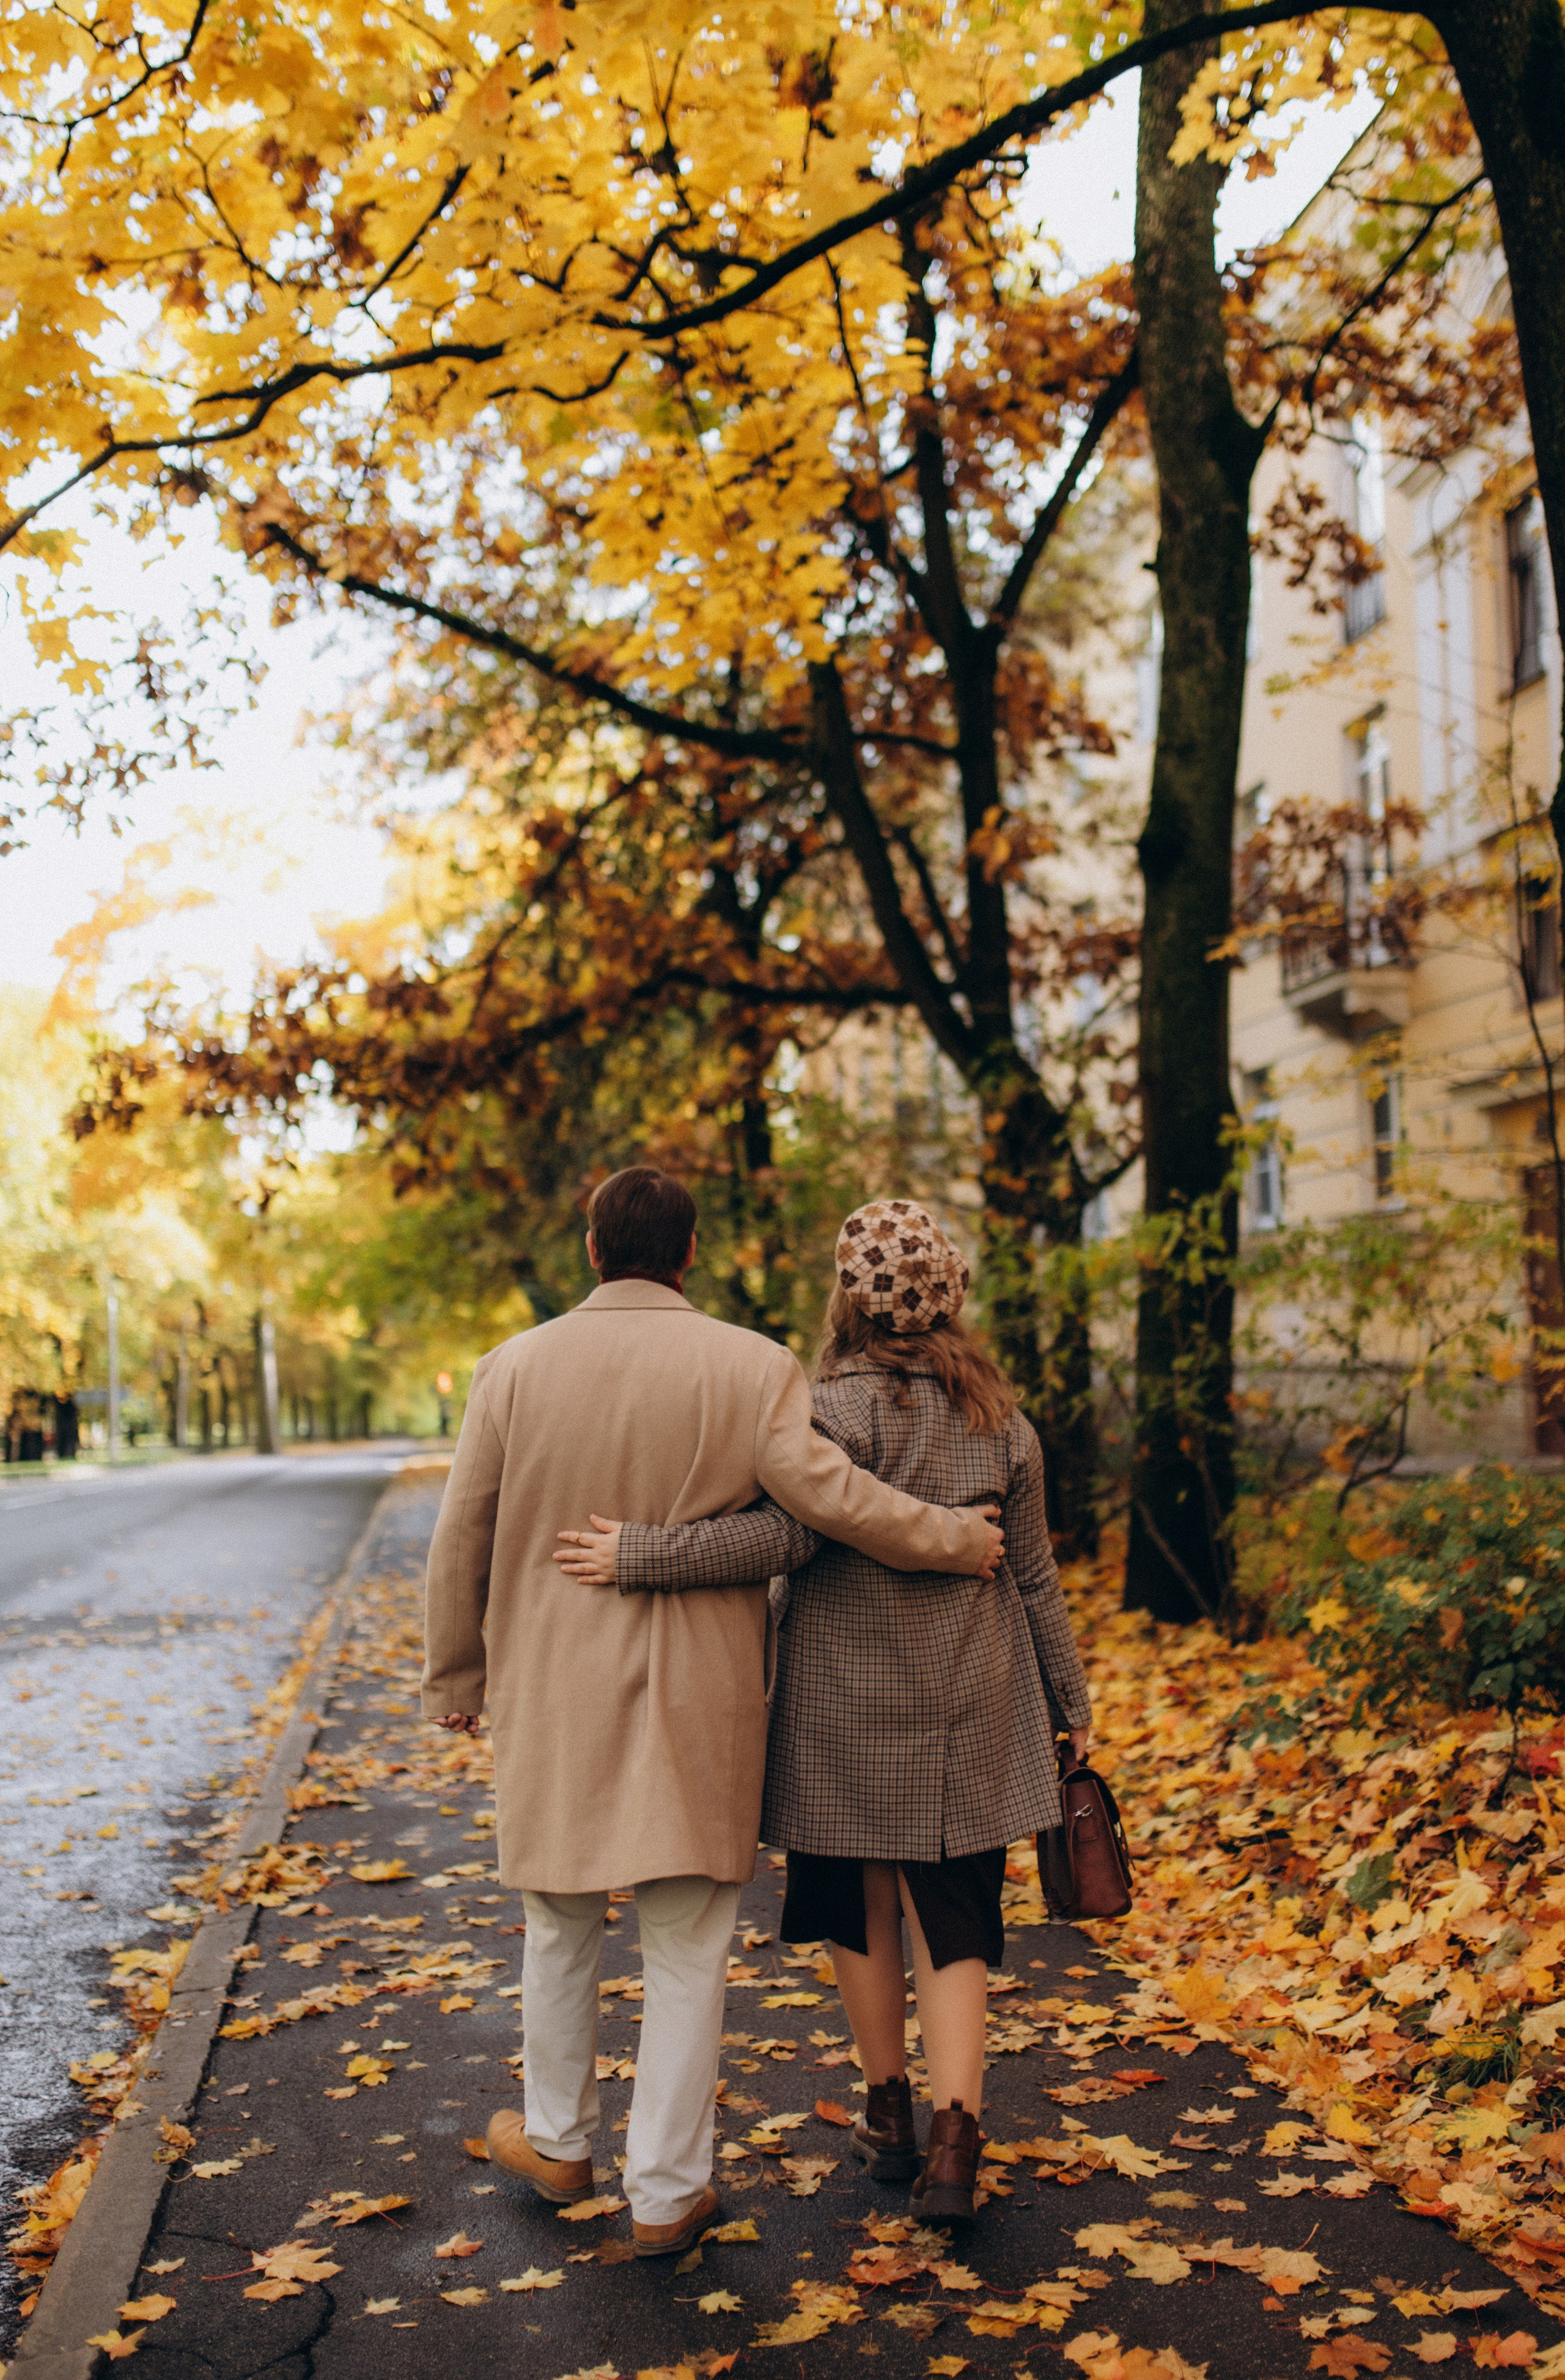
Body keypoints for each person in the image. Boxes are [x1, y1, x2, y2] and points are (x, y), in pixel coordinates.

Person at [421, 1169, 1003, 2258]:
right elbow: (832, 1501)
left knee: (558, 1926)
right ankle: (669, 2192)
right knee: (687, 1945)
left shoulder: (512, 1369)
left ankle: (556, 2142)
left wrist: (456, 1676)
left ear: (594, 1249)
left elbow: (464, 1534)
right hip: (702, 1698)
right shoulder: (753, 1366)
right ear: (689, 1253)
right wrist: (955, 1539)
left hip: (552, 1693)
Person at [554, 1197, 1092, 2225]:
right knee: (958, 1920)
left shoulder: (822, 1413)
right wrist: (1071, 1704)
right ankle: (954, 2140)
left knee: (859, 1907)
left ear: (851, 1297)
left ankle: (886, 2112)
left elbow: (776, 1542)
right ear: (951, 1297)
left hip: (843, 1701)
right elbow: (1036, 1577)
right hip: (974, 1700)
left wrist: (640, 1557)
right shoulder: (1003, 1422)